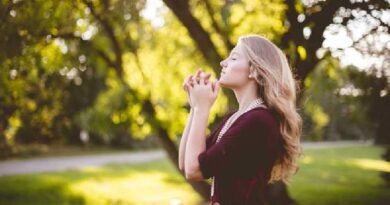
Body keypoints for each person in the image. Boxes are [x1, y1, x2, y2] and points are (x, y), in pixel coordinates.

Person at [178, 34, 303, 205]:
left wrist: (202, 109)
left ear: (254, 70)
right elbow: (186, 163)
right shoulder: (238, 118)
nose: (223, 62)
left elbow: (195, 171)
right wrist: (195, 107)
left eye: (234, 57)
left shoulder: (258, 121)